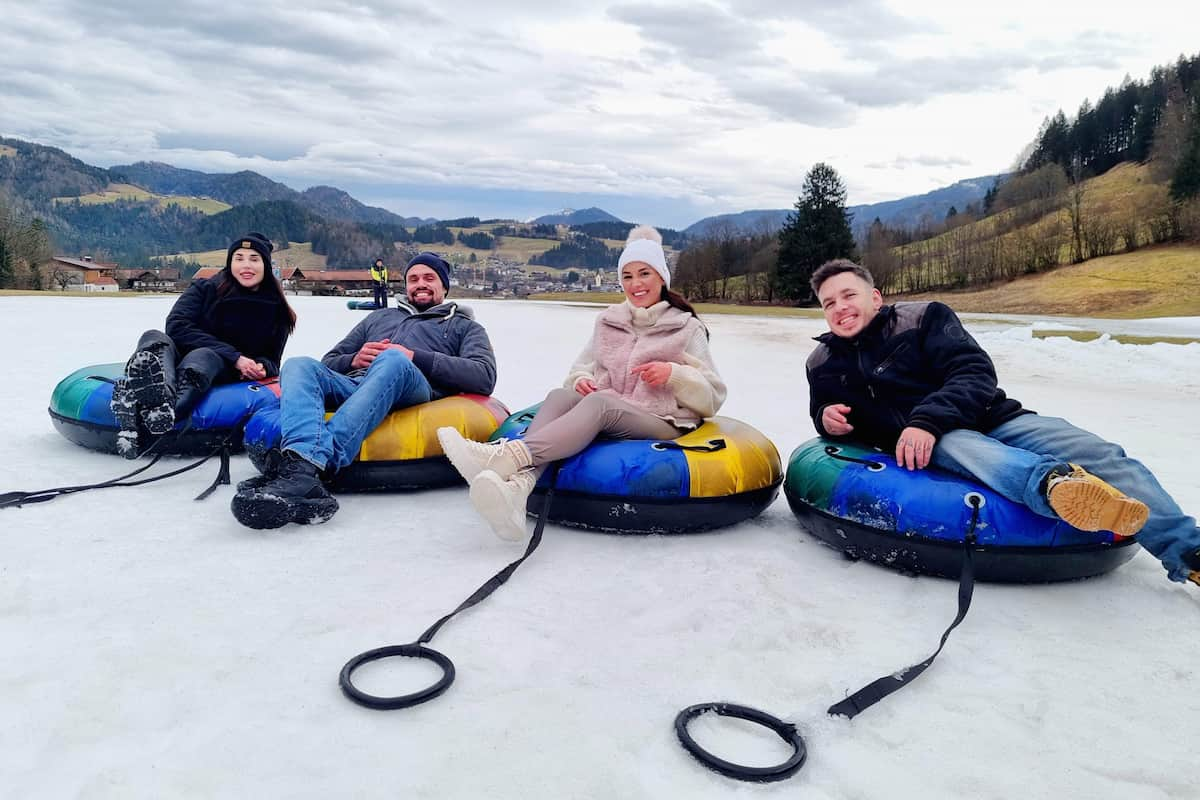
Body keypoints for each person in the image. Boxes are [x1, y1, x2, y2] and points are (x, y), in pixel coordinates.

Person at [805, 258, 1200, 588]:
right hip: (939, 443)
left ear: (875, 297)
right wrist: (826, 419)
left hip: (993, 416)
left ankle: (1188, 552)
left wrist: (926, 419)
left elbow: (973, 372)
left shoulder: (923, 319)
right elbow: (822, 412)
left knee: (1103, 454)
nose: (839, 307)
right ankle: (1058, 487)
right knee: (962, 447)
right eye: (828, 303)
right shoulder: (821, 363)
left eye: (848, 295)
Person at [438, 226, 726, 542]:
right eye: (627, 276)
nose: (635, 284)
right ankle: (519, 490)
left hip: (662, 420)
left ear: (662, 278)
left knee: (599, 405)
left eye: (644, 273)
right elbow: (578, 371)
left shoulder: (686, 328)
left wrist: (675, 375)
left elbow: (712, 396)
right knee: (560, 395)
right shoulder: (608, 322)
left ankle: (503, 458)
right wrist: (583, 381)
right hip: (612, 407)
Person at [231, 252, 496, 529]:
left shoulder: (463, 327)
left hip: (412, 389)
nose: (420, 284)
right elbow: (330, 361)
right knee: (299, 365)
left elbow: (484, 376)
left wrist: (413, 356)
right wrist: (354, 359)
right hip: (356, 383)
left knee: (392, 360)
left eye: (429, 278)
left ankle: (309, 466)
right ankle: (301, 471)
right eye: (413, 278)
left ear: (443, 286)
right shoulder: (380, 318)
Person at [110, 232, 296, 458]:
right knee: (154, 337)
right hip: (181, 354)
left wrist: (261, 367)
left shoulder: (277, 311)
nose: (246, 265)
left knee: (204, 356)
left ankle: (159, 409)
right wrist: (235, 355)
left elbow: (272, 359)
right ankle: (152, 399)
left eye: (254, 259)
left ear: (265, 265)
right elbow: (176, 325)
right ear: (230, 262)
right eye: (239, 258)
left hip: (218, 367)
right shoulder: (205, 288)